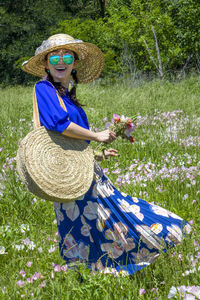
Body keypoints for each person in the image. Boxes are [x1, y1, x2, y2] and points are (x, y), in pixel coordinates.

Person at [22, 33, 191, 276]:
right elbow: (59, 125)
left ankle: (100, 273)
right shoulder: (44, 88)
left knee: (110, 219)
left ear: (75, 63)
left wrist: (95, 154)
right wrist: (97, 135)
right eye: (54, 56)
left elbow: (70, 141)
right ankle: (89, 277)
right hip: (67, 178)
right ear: (46, 64)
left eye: (67, 56)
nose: (61, 60)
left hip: (84, 173)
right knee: (86, 227)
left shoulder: (67, 95)